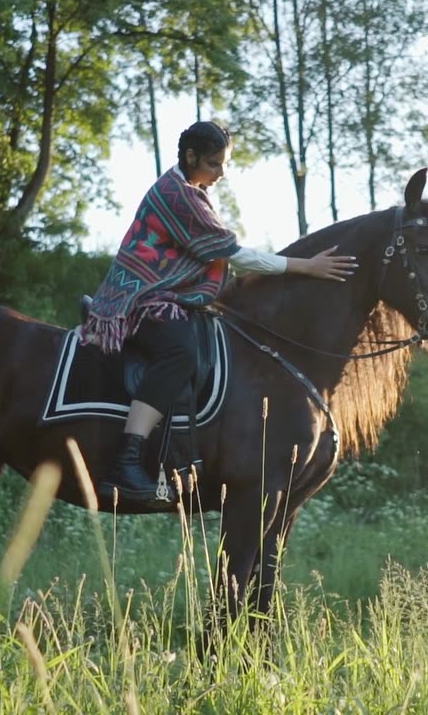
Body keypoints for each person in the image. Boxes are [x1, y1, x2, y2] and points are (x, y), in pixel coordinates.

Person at [79, 120, 356, 506]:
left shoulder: (191, 189)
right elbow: (234, 255)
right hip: (142, 299)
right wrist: (304, 266)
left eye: (224, 163)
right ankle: (126, 459)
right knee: (180, 352)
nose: (221, 173)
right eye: (214, 164)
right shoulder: (178, 196)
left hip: (169, 297)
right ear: (191, 157)